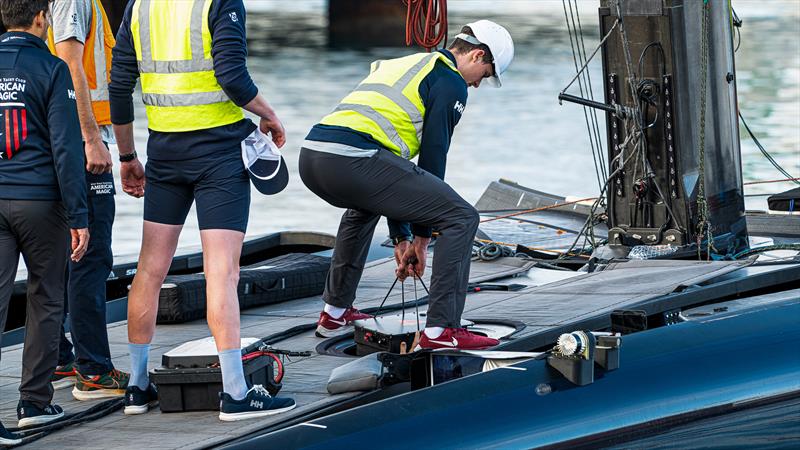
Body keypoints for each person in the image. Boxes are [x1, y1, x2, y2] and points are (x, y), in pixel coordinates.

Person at [109, 0, 296, 420]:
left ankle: (137, 388)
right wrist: (269, 114)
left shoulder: (139, 6)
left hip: (164, 151)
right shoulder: (219, 2)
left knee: (150, 269)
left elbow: (119, 85)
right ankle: (235, 393)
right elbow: (232, 77)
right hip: (219, 154)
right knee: (222, 272)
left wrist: (127, 156)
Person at [299, 21, 514, 350]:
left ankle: (335, 312)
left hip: (314, 156)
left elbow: (392, 178)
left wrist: (402, 236)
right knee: (462, 217)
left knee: (364, 206)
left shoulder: (409, 63)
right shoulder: (450, 81)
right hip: (355, 159)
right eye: (484, 75)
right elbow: (432, 158)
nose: (477, 85)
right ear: (477, 55)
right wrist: (423, 239)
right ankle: (442, 331)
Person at [0, 0, 90, 436]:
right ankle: (33, 402)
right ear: (41, 18)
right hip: (41, 202)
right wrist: (79, 214)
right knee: (46, 297)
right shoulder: (53, 70)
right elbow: (66, 149)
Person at [46, 0, 130, 401]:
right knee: (90, 256)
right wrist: (91, 139)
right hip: (82, 144)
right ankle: (93, 371)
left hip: (63, 141)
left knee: (66, 254)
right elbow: (70, 66)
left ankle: (61, 358)